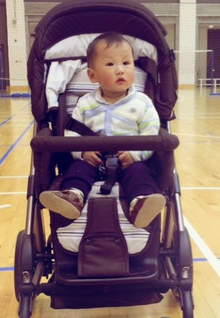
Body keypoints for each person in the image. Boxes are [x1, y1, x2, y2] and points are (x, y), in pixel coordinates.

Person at [39, 32, 166, 228]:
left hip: (129, 161)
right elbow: (72, 132)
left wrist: (135, 155)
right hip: (93, 160)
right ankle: (72, 197)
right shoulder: (85, 103)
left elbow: (151, 133)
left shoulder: (143, 103)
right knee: (77, 171)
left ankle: (141, 203)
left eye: (126, 63)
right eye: (110, 64)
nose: (120, 70)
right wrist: (82, 152)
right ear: (92, 75)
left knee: (140, 174)